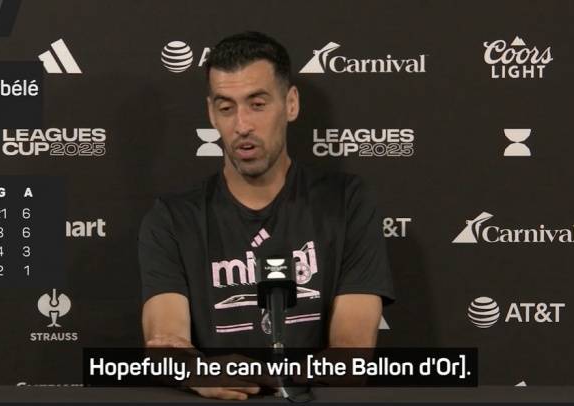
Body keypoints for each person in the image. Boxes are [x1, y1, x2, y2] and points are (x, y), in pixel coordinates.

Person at [138, 31, 395, 400]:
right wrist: (195, 371)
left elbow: (352, 354)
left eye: (257, 104)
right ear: (211, 113)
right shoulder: (173, 219)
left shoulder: (345, 202)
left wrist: (268, 377)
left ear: (290, 104)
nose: (242, 125)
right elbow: (165, 342)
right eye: (226, 108)